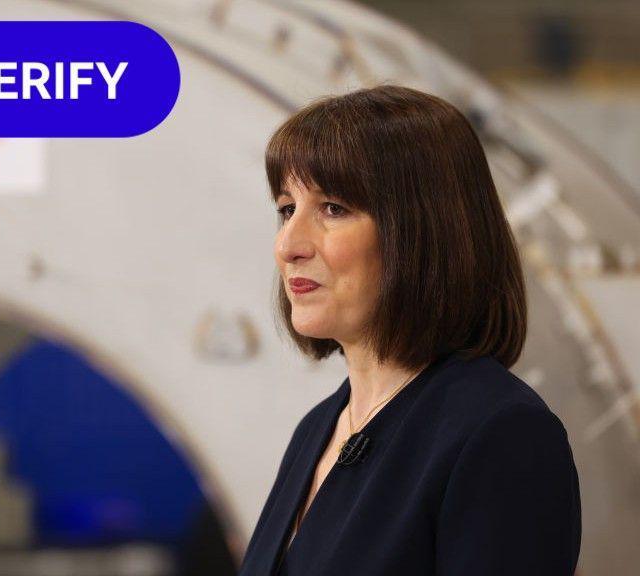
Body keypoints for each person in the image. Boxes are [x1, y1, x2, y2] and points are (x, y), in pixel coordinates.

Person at [238, 85, 581, 576]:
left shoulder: (501, 434)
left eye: (333, 208)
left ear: (421, 231)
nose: (288, 244)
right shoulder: (317, 428)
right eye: (287, 208)